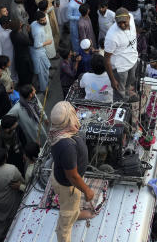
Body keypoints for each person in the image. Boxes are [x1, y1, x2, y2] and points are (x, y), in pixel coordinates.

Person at [49, 102, 97, 242]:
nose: (75, 115)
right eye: (72, 114)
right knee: (66, 218)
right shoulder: (67, 145)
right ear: (67, 120)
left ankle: (76, 213)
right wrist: (87, 190)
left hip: (60, 174)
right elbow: (72, 177)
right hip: (68, 186)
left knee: (73, 207)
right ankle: (66, 230)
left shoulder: (58, 130)